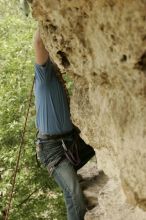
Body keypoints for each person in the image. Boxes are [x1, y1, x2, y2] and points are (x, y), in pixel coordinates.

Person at [34, 29, 87, 220]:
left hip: (69, 141)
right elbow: (38, 44)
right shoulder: (44, 78)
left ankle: (69, 175)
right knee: (75, 194)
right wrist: (43, 21)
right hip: (52, 149)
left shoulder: (56, 81)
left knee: (101, 144)